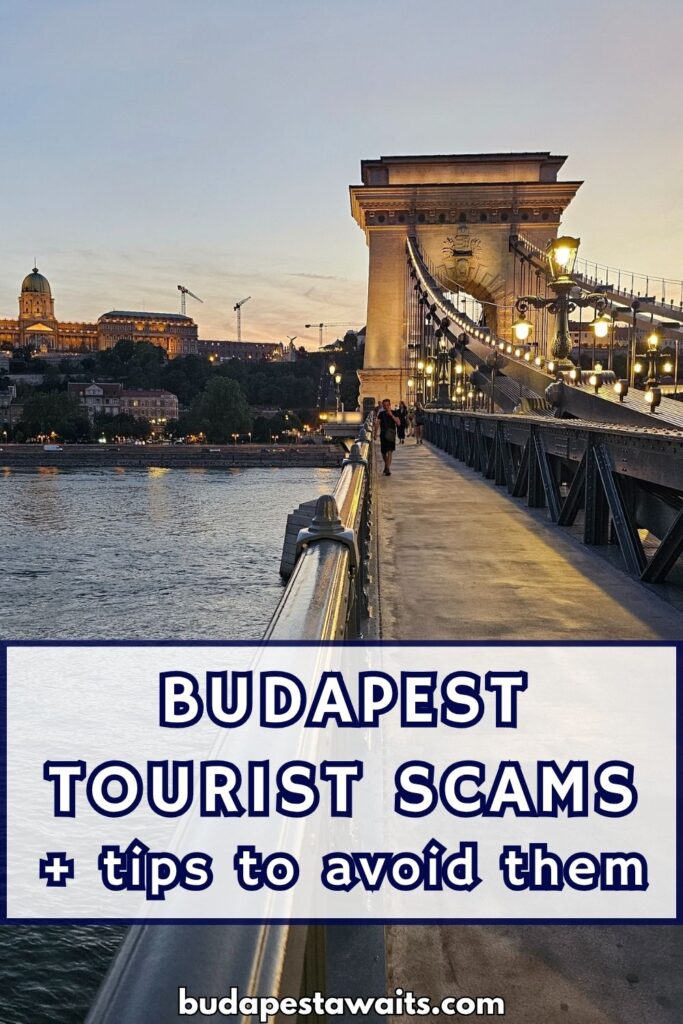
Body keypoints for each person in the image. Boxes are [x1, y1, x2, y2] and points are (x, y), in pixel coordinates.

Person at [374, 397, 400, 475]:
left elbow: (398, 423)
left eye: (387, 405)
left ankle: (388, 468)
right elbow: (377, 423)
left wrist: (391, 415)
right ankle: (386, 466)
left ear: (390, 405)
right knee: (383, 452)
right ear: (383, 406)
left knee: (390, 451)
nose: (386, 407)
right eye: (384, 405)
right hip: (383, 434)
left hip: (391, 434)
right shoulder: (381, 414)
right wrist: (375, 434)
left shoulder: (394, 413)